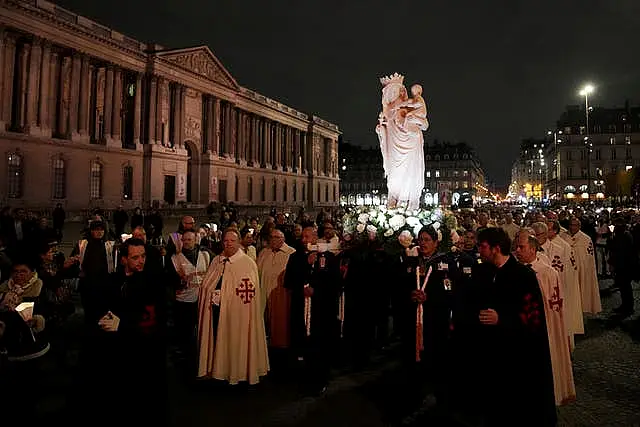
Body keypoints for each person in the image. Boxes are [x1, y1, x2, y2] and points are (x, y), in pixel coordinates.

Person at [475, 228, 556, 426]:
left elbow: (532, 318)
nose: (479, 250)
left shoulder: (523, 276)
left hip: (517, 356)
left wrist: (501, 319)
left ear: (495, 248)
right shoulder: (485, 272)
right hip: (492, 354)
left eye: (482, 246)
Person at [197, 229, 269, 385]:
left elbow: (249, 295)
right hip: (215, 311)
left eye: (232, 241)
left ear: (239, 242)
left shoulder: (247, 263)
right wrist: (211, 294)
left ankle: (236, 372)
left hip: (237, 316)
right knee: (217, 340)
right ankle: (217, 370)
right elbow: (206, 285)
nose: (228, 244)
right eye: (225, 241)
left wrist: (225, 297)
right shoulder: (217, 260)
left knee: (235, 343)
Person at [514, 232, 576, 406]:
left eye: (521, 247)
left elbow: (553, 304)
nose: (517, 251)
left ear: (533, 249)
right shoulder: (515, 271)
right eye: (516, 247)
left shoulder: (546, 273)